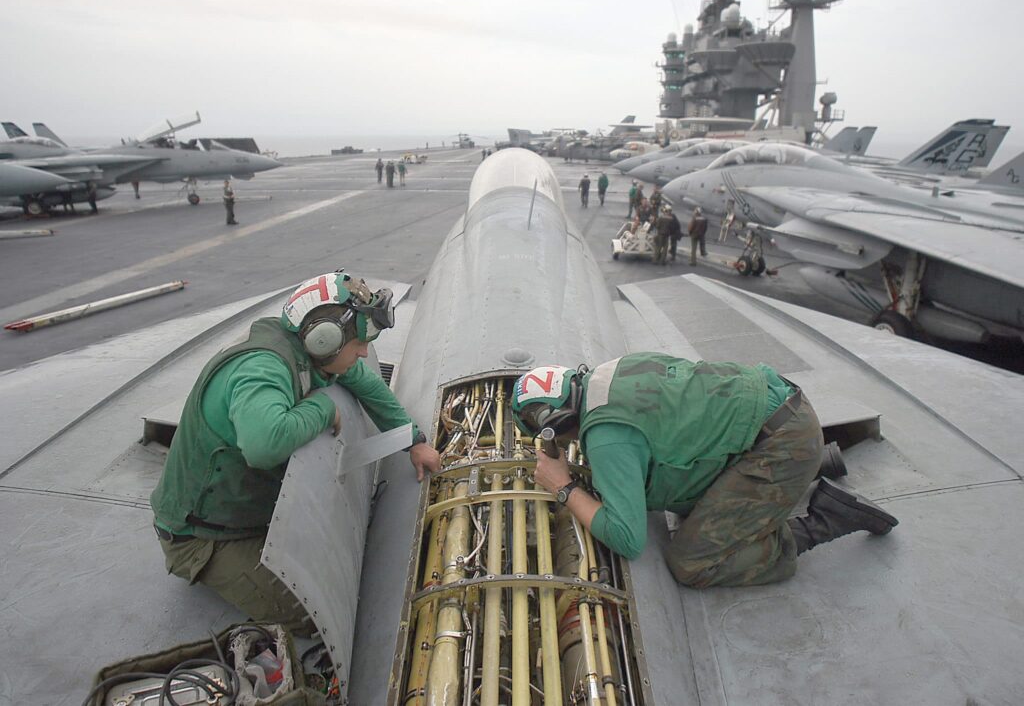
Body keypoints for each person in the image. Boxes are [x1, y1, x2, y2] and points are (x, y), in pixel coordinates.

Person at [150, 271, 441, 634]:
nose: (365, 352)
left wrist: (413, 440)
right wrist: (321, 409)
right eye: (360, 344)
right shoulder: (263, 367)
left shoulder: (307, 349)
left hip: (243, 513)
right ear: (325, 340)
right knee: (312, 618)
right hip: (201, 539)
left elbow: (364, 382)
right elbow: (263, 445)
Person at [510, 359, 896, 589]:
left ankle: (825, 520)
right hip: (787, 416)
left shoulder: (608, 438)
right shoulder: (610, 372)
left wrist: (563, 487)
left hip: (781, 448)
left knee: (693, 562)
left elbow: (628, 539)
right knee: (682, 497)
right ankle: (816, 464)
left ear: (554, 424)